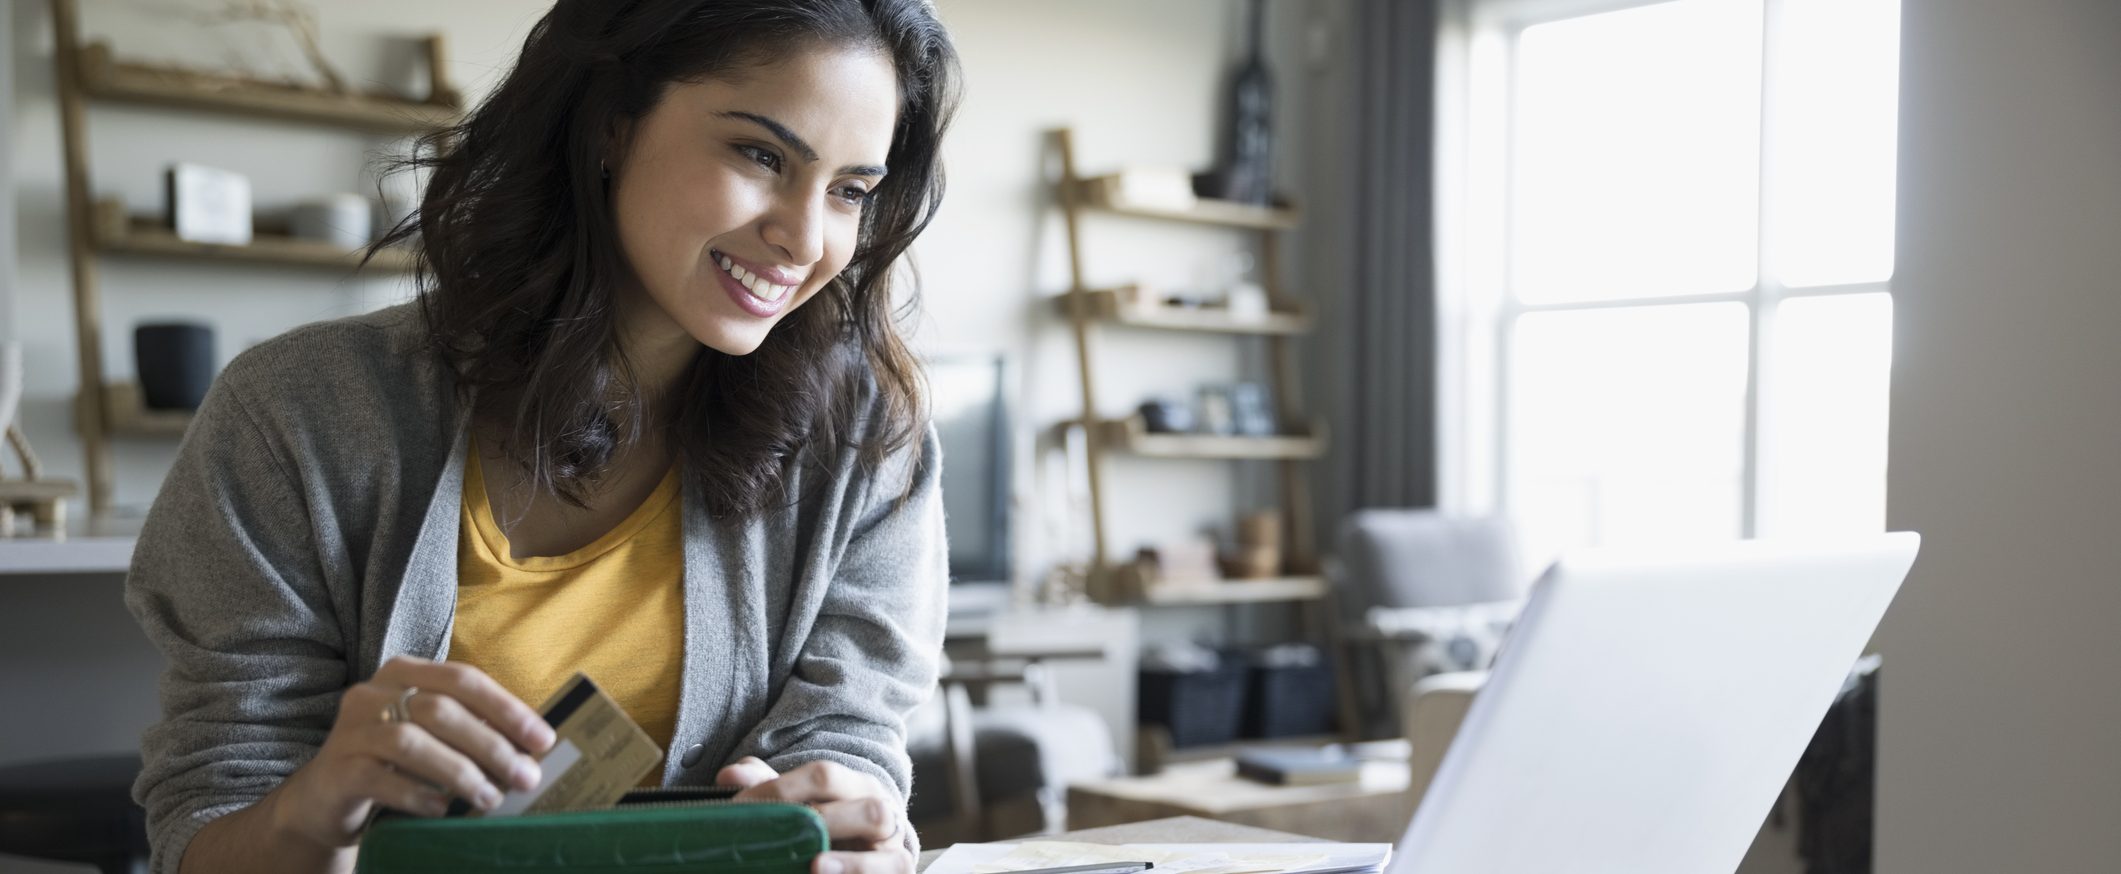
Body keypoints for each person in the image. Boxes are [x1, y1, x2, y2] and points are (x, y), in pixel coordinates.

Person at [122, 1, 960, 872]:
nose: (804, 236)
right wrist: (318, 811)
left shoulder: (865, 441)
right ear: (609, 122)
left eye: (850, 191)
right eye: (760, 154)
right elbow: (210, 825)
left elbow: (850, 750)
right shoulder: (295, 415)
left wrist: (857, 832)